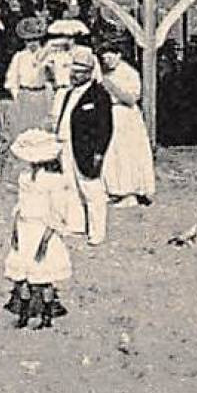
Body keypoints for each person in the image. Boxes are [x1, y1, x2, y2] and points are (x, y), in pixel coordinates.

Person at [4, 129, 73, 330]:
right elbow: (19, 206)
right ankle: (24, 315)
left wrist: (46, 239)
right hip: (25, 228)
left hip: (42, 229)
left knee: (44, 277)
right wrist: (14, 231)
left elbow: (58, 212)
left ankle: (46, 317)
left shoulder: (54, 180)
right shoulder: (24, 177)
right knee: (22, 276)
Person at [53, 46, 114, 246]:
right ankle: (76, 224)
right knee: (69, 186)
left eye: (79, 71)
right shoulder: (69, 93)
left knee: (91, 189)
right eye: (73, 70)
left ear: (89, 72)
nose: (74, 74)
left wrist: (99, 152)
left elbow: (105, 127)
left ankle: (97, 231)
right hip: (66, 144)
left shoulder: (98, 95)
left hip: (86, 148)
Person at [97, 40, 156, 206]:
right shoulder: (104, 73)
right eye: (104, 57)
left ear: (119, 55)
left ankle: (130, 193)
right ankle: (115, 190)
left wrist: (111, 87)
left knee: (127, 153)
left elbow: (131, 98)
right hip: (110, 114)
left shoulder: (128, 73)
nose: (107, 60)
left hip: (126, 116)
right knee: (112, 152)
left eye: (110, 56)